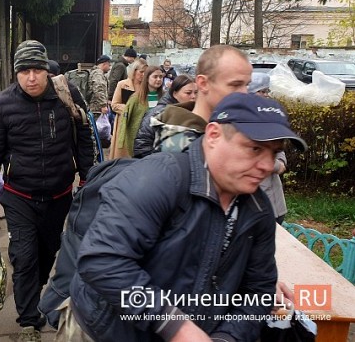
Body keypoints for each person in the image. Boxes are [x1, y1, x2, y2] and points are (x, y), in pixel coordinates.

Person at [69, 91, 308, 342]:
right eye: (255, 148)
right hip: (110, 331)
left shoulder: (258, 209)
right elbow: (102, 261)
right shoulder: (158, 180)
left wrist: (227, 337)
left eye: (274, 152)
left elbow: (258, 292)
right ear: (213, 135)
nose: (267, 166)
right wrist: (175, 326)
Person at [0, 40, 96, 342]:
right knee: (25, 256)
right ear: (17, 74)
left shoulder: (68, 95)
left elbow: (85, 136)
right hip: (20, 197)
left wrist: (87, 179)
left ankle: (34, 289)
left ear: (47, 70)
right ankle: (29, 320)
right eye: (25, 71)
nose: (32, 77)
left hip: (59, 195)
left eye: (37, 70)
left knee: (47, 253)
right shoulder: (4, 104)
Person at [134, 45, 253, 158]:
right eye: (235, 85)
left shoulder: (236, 128)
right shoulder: (178, 144)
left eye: (247, 85)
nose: (244, 93)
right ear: (203, 83)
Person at [249, 72, 288, 224]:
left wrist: (280, 162)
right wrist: (274, 164)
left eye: (267, 91)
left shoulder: (269, 117)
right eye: (262, 91)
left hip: (276, 200)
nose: (266, 95)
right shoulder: (240, 120)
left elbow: (279, 148)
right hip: (255, 199)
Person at [133, 75, 196, 157]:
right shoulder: (157, 114)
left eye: (196, 92)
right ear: (175, 94)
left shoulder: (193, 113)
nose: (193, 96)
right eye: (188, 93)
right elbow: (141, 148)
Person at [115, 65, 164, 158]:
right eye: (155, 77)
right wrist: (122, 141)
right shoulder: (135, 98)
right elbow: (125, 119)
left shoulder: (164, 97)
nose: (158, 79)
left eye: (161, 77)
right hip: (141, 142)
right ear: (147, 78)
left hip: (159, 140)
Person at [108, 59, 147, 159]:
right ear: (134, 71)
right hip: (124, 124)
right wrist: (130, 109)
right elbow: (114, 104)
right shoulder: (122, 84)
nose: (143, 75)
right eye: (141, 72)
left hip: (140, 125)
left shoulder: (147, 87)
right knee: (122, 155)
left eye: (145, 73)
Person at [88, 55, 111, 120]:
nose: (109, 68)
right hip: (97, 109)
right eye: (109, 65)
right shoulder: (98, 74)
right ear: (104, 64)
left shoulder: (97, 73)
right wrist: (103, 105)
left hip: (97, 108)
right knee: (99, 128)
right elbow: (99, 89)